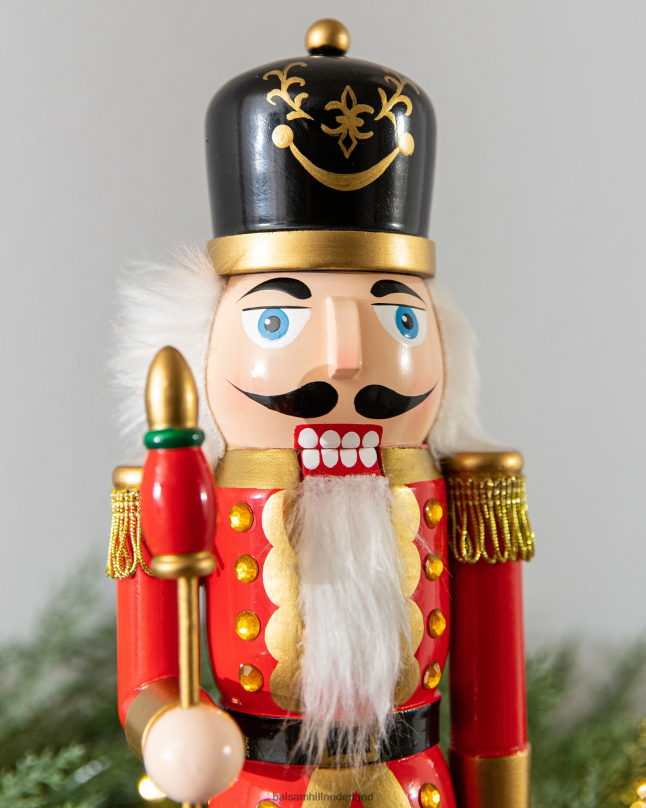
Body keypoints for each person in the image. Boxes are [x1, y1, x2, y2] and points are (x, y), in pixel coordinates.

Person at [108, 19, 534, 808]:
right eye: (277, 320)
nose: (342, 359)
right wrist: (165, 727)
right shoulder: (175, 491)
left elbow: (493, 704)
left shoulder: (468, 489)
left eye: (397, 318)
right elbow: (146, 677)